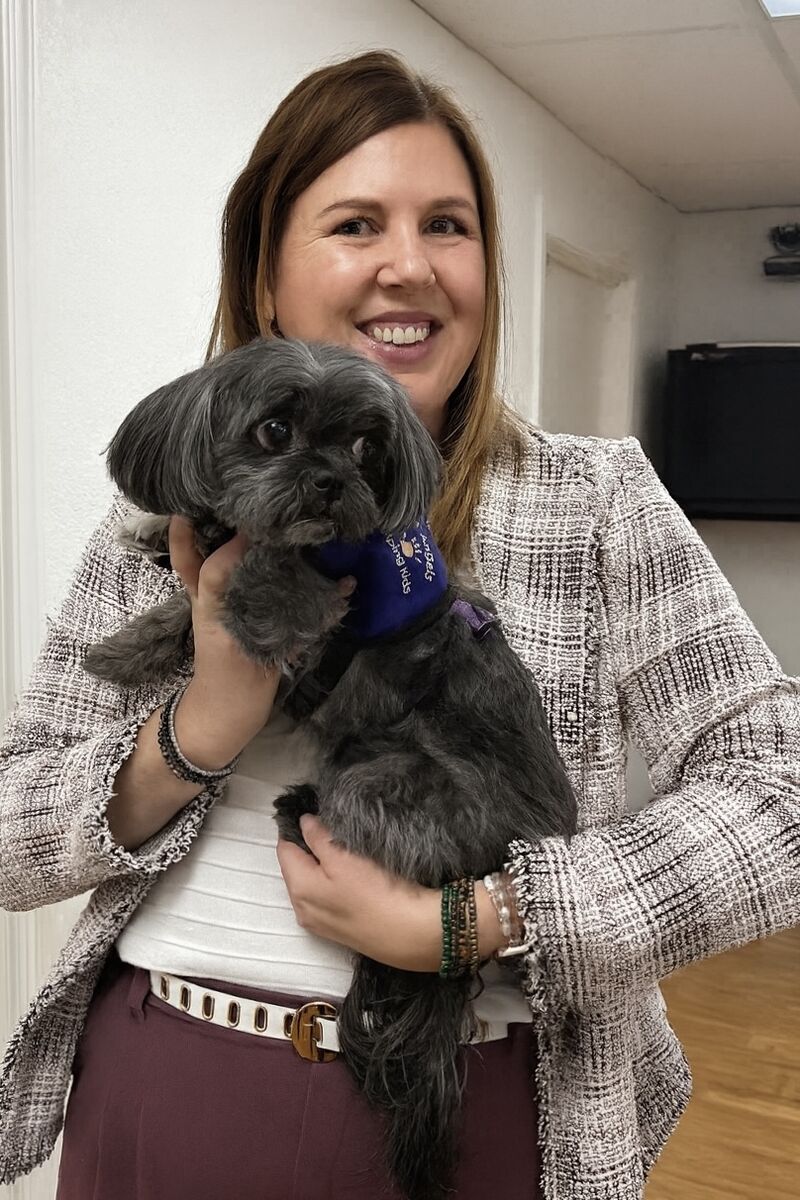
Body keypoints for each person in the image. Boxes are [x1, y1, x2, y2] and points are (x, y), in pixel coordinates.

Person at [0, 47, 798, 1200]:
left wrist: (477, 922)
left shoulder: (593, 502)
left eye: (448, 227)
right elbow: (12, 835)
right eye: (356, 224)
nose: (409, 266)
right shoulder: (158, 523)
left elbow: (779, 791)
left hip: (476, 1100)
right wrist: (199, 726)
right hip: (166, 1077)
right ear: (264, 275)